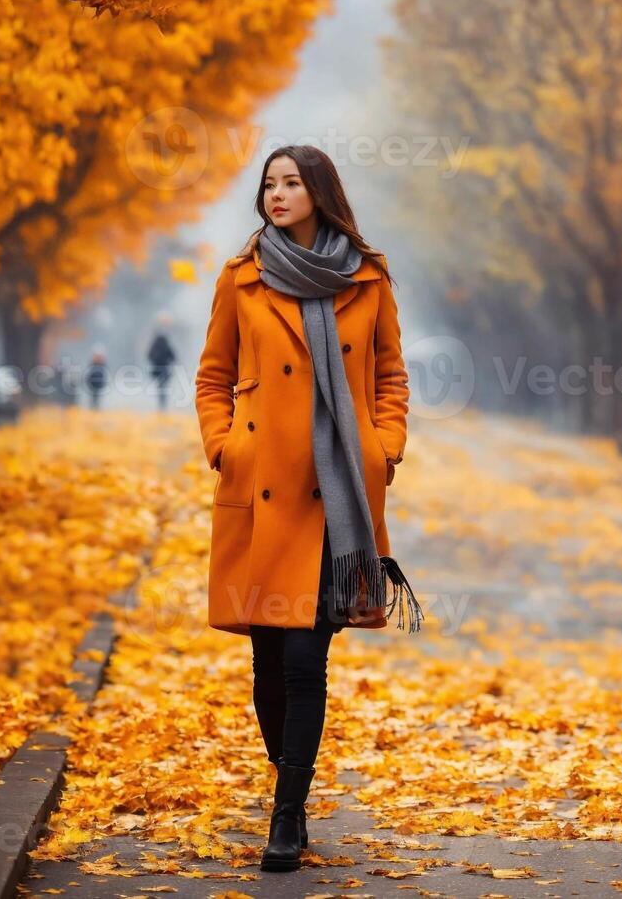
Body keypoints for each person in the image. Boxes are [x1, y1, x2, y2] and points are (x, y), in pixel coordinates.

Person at [193, 145, 410, 873]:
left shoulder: (367, 276)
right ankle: (290, 791)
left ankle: (286, 817)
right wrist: (225, 446)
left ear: (318, 192)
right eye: (268, 184)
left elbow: (389, 373)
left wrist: (385, 445)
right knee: (266, 664)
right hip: (261, 492)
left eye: (289, 183)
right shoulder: (242, 278)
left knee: (302, 658)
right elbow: (213, 373)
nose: (276, 194)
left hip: (337, 493)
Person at [147, 330, 177, 409]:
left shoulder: (154, 346)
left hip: (157, 369)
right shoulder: (166, 346)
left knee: (160, 386)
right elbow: (173, 357)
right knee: (164, 386)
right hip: (165, 369)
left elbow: (149, 356)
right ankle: (163, 402)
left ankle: (161, 402)